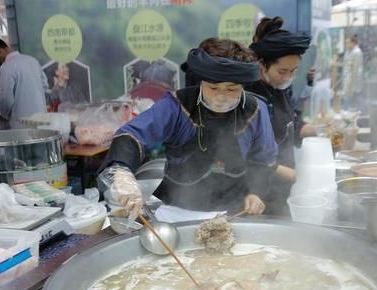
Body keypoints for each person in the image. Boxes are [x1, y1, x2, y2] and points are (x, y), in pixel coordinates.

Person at [98, 38, 278, 219]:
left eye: (231, 90)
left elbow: (263, 159)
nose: (221, 97)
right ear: (201, 82)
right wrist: (121, 172)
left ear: (243, 86)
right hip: (177, 208)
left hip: (235, 208)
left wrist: (256, 192)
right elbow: (131, 134)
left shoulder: (255, 109)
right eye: (213, 87)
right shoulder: (176, 105)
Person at [246, 16, 312, 215]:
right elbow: (241, 150)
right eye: (282, 71)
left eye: (294, 71)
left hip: (282, 187)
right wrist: (284, 171)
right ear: (262, 64)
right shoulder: (248, 97)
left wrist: (307, 129)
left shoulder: (281, 87)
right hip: (257, 192)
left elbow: (290, 117)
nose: (288, 78)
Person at [0, 38, 47, 129]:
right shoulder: (32, 60)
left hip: (21, 121)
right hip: (42, 117)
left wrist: (1, 113)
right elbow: (45, 86)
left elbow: (5, 98)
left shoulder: (6, 67)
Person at [342, 35, 363, 111]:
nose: (346, 44)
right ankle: (346, 110)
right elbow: (346, 63)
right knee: (350, 96)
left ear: (353, 42)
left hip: (353, 79)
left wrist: (351, 82)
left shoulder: (357, 52)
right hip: (347, 78)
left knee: (355, 96)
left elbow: (356, 69)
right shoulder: (348, 51)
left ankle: (365, 108)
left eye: (348, 43)